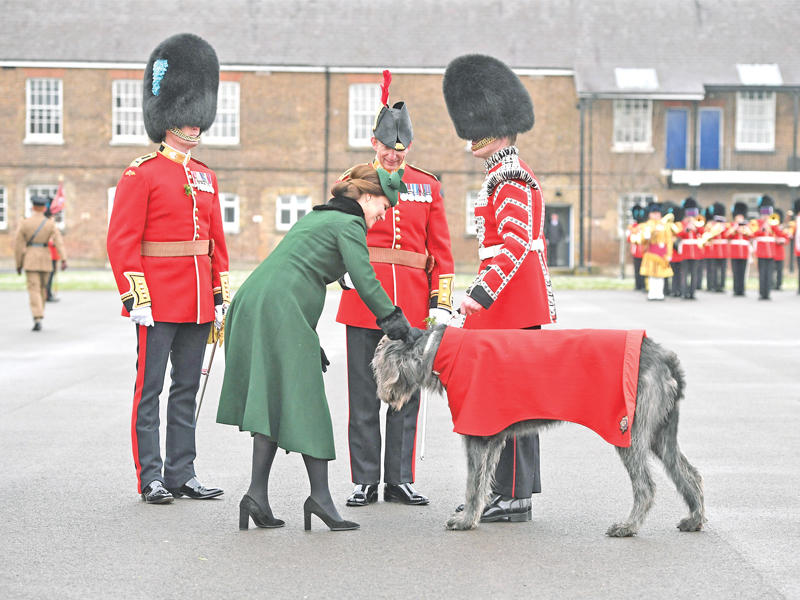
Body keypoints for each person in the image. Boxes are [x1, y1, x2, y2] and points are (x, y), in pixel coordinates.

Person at [217, 165, 419, 532]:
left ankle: (257, 496)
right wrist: (394, 320)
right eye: (383, 207)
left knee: (272, 399)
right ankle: (320, 499)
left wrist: (307, 336)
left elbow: (294, 272)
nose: (383, 215)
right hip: (278, 308)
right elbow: (364, 277)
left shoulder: (322, 217)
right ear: (367, 197)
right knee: (309, 401)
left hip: (259, 303)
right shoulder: (349, 224)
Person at [106, 34, 230, 504]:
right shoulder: (142, 173)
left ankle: (183, 471)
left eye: (198, 117)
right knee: (150, 391)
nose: (193, 127)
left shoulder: (206, 176)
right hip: (157, 300)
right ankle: (151, 476)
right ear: (167, 118)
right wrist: (136, 297)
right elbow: (122, 242)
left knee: (185, 391)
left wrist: (218, 297)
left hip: (198, 301)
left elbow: (215, 242)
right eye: (186, 117)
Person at [443, 54, 557, 523]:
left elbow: (512, 248)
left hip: (509, 307)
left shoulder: (509, 177)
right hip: (504, 306)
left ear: (500, 126)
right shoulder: (499, 175)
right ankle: (505, 491)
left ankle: (511, 496)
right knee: (506, 402)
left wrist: (480, 296)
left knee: (510, 402)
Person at [336, 71, 454, 508]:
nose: (391, 156)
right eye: (385, 147)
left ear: (409, 149)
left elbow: (441, 250)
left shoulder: (427, 185)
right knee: (363, 394)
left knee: (404, 395)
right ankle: (364, 479)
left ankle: (399, 478)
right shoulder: (354, 180)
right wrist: (341, 271)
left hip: (410, 305)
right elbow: (335, 232)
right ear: (374, 142)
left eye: (399, 150)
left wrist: (440, 302)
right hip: (364, 301)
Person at [13, 195, 67, 331]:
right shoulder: (50, 223)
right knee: (42, 288)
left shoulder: (25, 223)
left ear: (33, 207)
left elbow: (18, 245)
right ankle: (39, 313)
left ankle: (37, 316)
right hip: (45, 258)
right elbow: (58, 242)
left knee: (34, 289)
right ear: (44, 208)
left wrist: (18, 264)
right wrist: (64, 259)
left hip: (30, 258)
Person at [639, 203, 674, 301]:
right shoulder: (646, 225)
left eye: (657, 213)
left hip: (662, 253)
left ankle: (659, 293)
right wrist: (652, 231)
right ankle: (652, 293)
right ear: (650, 214)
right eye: (654, 213)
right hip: (651, 252)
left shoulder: (665, 226)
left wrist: (669, 254)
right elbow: (643, 240)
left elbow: (669, 241)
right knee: (652, 274)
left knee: (660, 275)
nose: (656, 215)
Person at [676, 197, 704, 299]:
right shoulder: (682, 224)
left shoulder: (698, 224)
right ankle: (684, 292)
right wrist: (687, 228)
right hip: (685, 251)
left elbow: (702, 233)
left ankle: (692, 293)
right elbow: (679, 234)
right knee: (684, 273)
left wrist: (696, 227)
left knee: (694, 273)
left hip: (695, 252)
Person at [724, 201, 753, 297]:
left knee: (743, 272)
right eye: (738, 216)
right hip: (735, 252)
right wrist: (735, 227)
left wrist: (745, 228)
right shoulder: (731, 225)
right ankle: (736, 289)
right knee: (735, 271)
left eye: (741, 216)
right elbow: (726, 235)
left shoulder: (747, 225)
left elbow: (751, 235)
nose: (740, 218)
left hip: (744, 252)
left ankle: (742, 289)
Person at [753, 195, 777, 300]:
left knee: (769, 273)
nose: (766, 215)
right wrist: (763, 228)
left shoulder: (773, 223)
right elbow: (753, 234)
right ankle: (762, 293)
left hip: (771, 252)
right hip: (761, 252)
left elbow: (779, 234)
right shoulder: (757, 223)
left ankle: (767, 293)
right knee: (762, 273)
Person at [626, 204, 647, 291]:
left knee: (644, 269)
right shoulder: (633, 227)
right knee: (637, 269)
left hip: (644, 250)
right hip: (636, 251)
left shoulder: (644, 226)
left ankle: (643, 285)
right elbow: (629, 238)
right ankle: (638, 285)